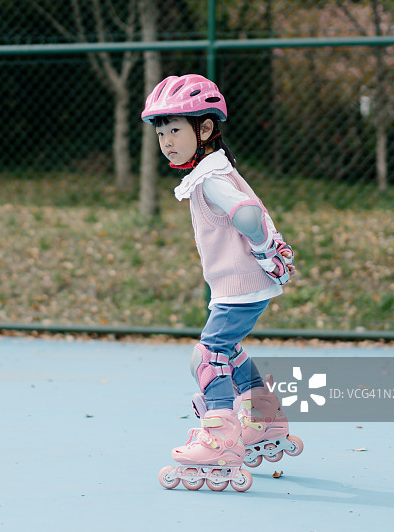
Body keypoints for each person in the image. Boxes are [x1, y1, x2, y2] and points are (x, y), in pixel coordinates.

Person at [142, 74, 303, 492]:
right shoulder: (213, 170)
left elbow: (247, 214)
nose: (167, 141)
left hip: (240, 284)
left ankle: (219, 437)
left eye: (175, 129)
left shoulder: (211, 177)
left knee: (207, 355)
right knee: (228, 351)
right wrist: (271, 250)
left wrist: (267, 246)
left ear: (206, 129)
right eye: (161, 132)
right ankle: (263, 419)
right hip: (240, 283)